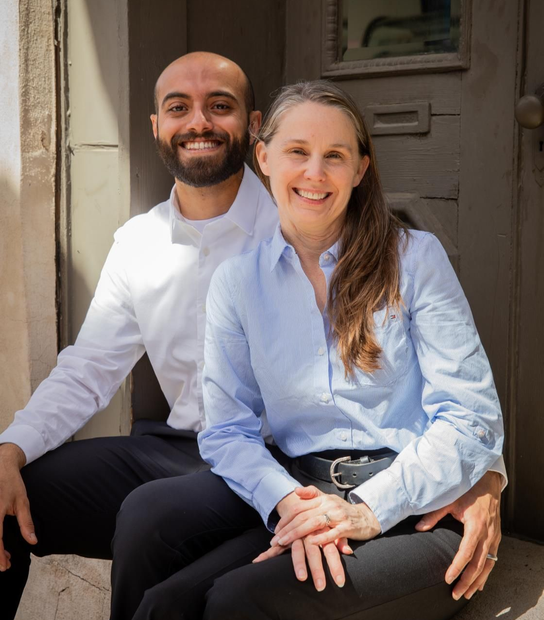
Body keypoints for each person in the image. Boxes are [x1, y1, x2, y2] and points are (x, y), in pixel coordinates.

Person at [0, 54, 501, 619]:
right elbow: (92, 367)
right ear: (267, 156)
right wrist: (10, 448)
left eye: (219, 105)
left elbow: (467, 412)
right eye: (178, 107)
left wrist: (484, 476)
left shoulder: (395, 251)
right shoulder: (192, 260)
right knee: (146, 559)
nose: (313, 173)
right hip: (246, 465)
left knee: (222, 595)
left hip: (335, 475)